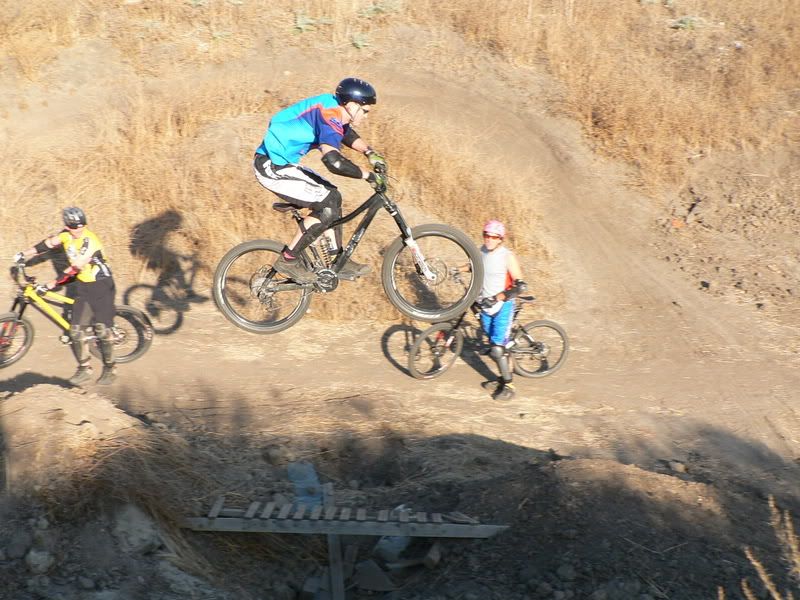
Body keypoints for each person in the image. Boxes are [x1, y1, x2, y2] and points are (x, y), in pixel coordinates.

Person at [252, 77, 388, 283]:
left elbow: (345, 133)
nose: (366, 116)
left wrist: (370, 152)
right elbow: (334, 162)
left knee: (333, 196)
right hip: (271, 166)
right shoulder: (329, 113)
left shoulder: (333, 108)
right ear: (352, 105)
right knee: (327, 202)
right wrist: (368, 175)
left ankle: (336, 260)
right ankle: (288, 260)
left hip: (283, 164)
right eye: (365, 110)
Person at [13, 207, 117, 385]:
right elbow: (46, 244)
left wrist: (50, 285)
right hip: (83, 285)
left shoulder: (90, 241)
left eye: (82, 225)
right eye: (75, 227)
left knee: (102, 329)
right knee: (75, 331)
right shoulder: (65, 235)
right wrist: (23, 254)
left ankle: (110, 368)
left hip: (101, 285)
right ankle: (84, 368)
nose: (79, 229)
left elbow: (74, 269)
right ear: (68, 226)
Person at [474, 219, 527, 400]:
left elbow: (520, 286)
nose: (489, 239)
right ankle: (502, 377)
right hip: (486, 306)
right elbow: (474, 267)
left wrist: (497, 298)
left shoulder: (507, 256)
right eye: (486, 235)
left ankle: (509, 386)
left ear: (500, 239)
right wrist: (457, 270)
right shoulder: (481, 251)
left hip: (503, 306)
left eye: (494, 237)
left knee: (497, 349)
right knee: (495, 346)